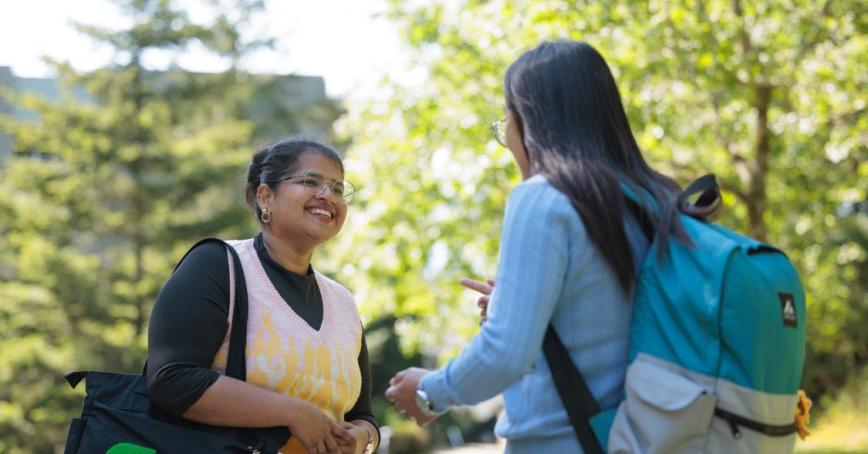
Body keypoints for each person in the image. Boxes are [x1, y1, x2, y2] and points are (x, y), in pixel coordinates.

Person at [385, 40, 687, 453]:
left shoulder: (543, 198)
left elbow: (505, 355)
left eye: (506, 119)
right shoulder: (654, 198)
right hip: (648, 436)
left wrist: (430, 391)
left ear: (529, 122)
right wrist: (517, 306)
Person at [147, 138, 379, 454]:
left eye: (338, 188)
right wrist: (292, 413)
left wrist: (364, 438)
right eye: (311, 182)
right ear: (265, 196)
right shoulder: (218, 265)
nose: (328, 196)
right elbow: (173, 379)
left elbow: (363, 415)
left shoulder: (344, 303)